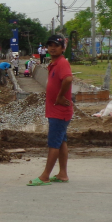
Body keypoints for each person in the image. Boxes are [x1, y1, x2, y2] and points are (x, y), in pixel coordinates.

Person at [29, 35, 73, 186]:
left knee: (54, 143)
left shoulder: (62, 63)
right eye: (50, 45)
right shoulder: (54, 64)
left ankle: (45, 176)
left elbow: (68, 79)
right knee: (61, 142)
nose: (52, 48)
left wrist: (60, 97)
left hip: (60, 111)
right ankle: (62, 174)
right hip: (55, 110)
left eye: (56, 45)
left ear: (63, 48)